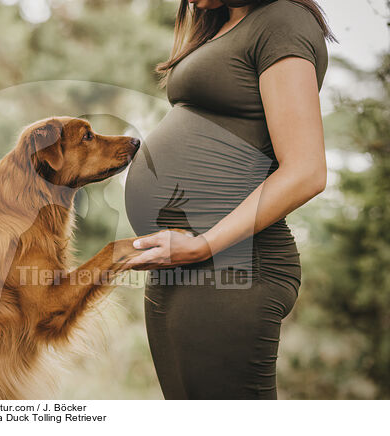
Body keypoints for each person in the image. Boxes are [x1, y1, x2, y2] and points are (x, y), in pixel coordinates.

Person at [124, 0, 334, 399]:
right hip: (180, 265)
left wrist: (203, 244)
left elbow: (307, 171)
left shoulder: (282, 21)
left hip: (233, 267)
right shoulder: (222, 23)